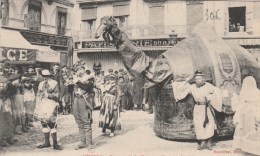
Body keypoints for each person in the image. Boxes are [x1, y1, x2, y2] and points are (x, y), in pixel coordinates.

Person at [172, 70, 222, 150]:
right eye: (196, 79)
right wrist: (175, 84)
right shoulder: (192, 87)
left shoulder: (208, 86)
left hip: (206, 107)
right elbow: (182, 90)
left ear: (203, 79)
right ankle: (202, 142)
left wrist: (211, 98)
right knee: (199, 124)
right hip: (198, 108)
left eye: (200, 79)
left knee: (209, 124)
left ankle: (209, 142)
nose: (198, 81)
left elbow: (217, 92)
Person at [231, 76, 260, 155]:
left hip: (252, 114)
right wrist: (235, 97)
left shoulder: (257, 92)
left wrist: (257, 115)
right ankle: (246, 148)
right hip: (245, 114)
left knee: (253, 131)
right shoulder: (244, 92)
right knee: (244, 131)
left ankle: (253, 149)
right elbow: (240, 104)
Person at [36, 69, 63, 150]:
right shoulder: (41, 84)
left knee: (52, 123)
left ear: (49, 76)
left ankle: (55, 143)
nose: (45, 78)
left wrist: (49, 95)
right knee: (44, 123)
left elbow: (57, 95)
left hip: (51, 104)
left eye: (46, 76)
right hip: (43, 104)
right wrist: (38, 102)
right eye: (43, 76)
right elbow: (38, 94)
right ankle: (46, 142)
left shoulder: (54, 83)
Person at [73, 67, 94, 150]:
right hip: (77, 99)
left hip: (85, 100)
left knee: (86, 121)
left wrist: (77, 81)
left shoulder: (90, 77)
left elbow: (87, 87)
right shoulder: (77, 78)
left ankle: (89, 143)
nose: (78, 71)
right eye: (77, 69)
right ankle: (82, 142)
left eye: (80, 69)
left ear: (84, 70)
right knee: (79, 122)